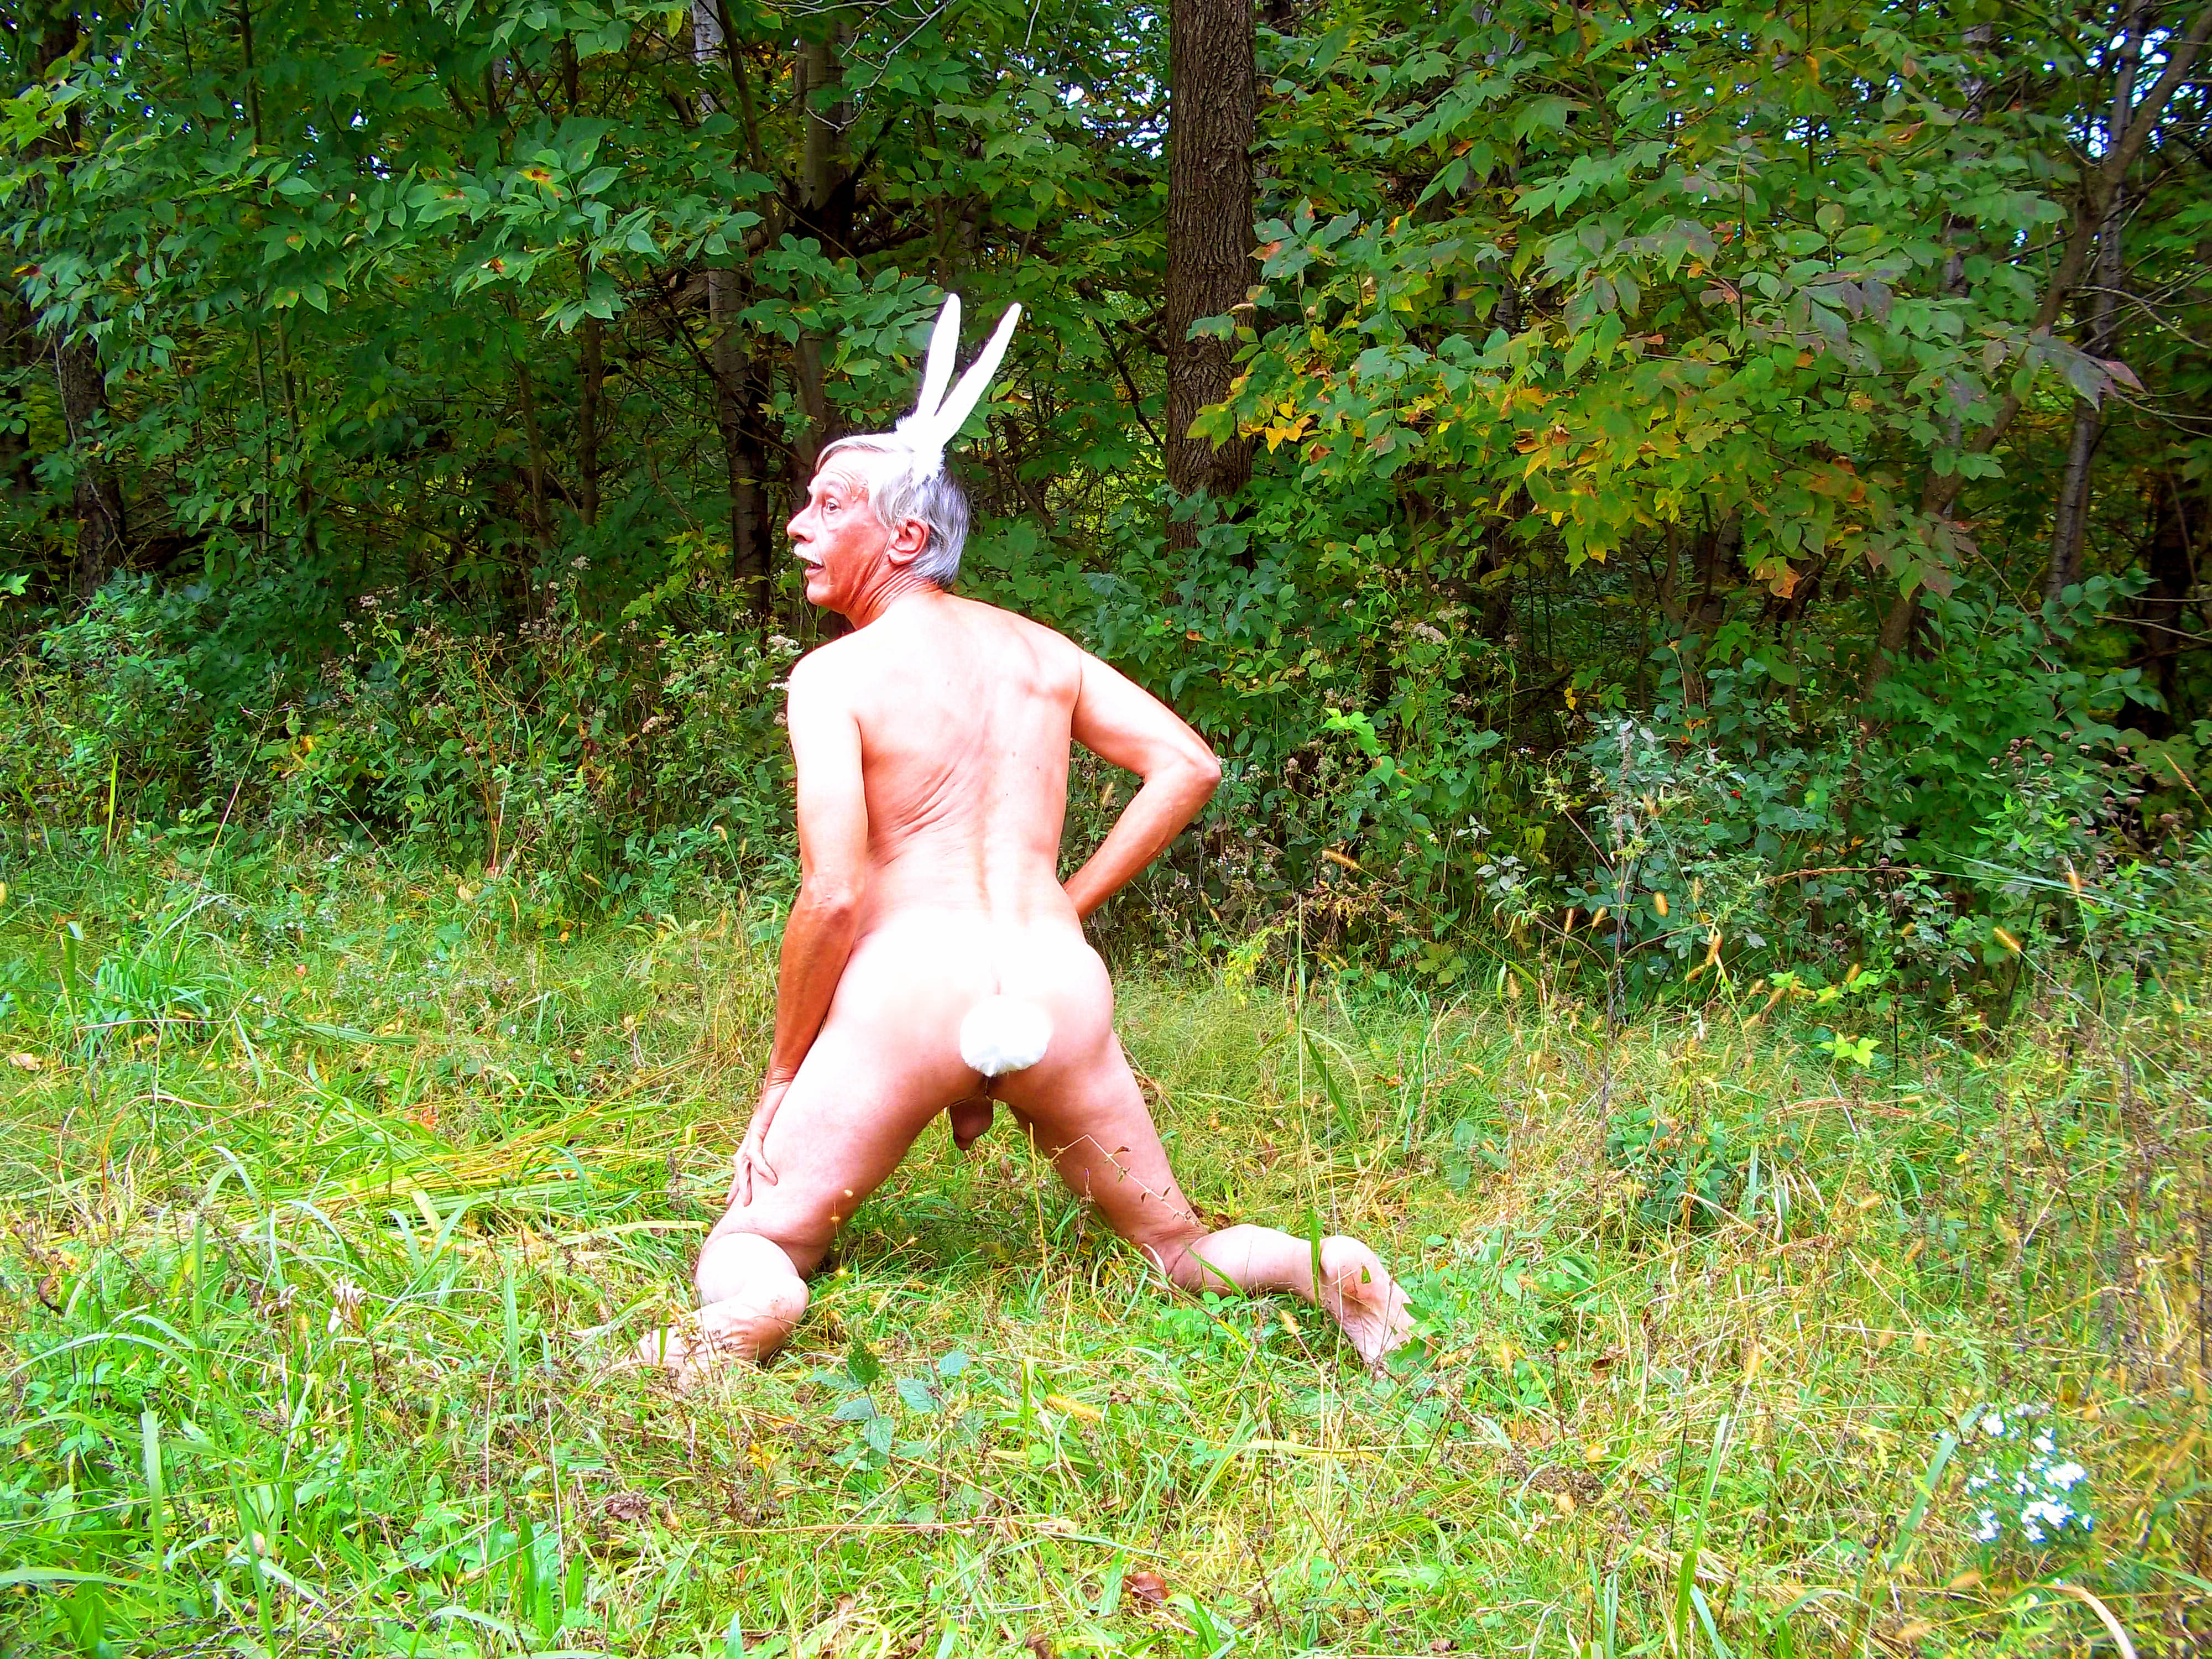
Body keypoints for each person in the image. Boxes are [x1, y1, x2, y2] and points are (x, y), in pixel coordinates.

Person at [638, 296, 1411, 1383]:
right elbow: (1188, 765)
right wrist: (1061, 910)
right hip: (1057, 985)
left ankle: (758, 1308)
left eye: (828, 505)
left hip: (910, 989)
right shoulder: (1043, 652)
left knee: (762, 1235)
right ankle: (1309, 1263)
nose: (800, 526)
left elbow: (833, 896)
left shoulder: (833, 675)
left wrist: (779, 1075)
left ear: (905, 539)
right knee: (1177, 1247)